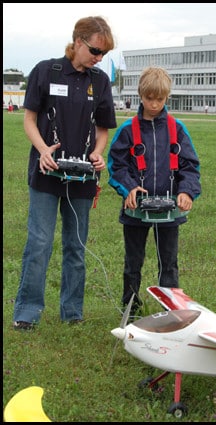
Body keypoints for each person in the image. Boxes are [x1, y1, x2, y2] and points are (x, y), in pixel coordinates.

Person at [13, 16, 117, 330]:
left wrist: (98, 153)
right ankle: (27, 314)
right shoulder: (45, 71)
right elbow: (29, 120)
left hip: (82, 179)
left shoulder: (99, 81)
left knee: (76, 246)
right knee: (40, 243)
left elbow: (103, 129)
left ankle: (72, 313)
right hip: (46, 174)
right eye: (96, 51)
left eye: (103, 54)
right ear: (78, 42)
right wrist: (43, 150)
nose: (99, 59)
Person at [107, 66, 201, 315]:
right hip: (136, 210)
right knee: (133, 263)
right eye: (149, 98)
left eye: (160, 99)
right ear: (140, 94)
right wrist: (128, 188)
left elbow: (190, 165)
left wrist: (187, 192)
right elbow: (116, 165)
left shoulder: (177, 129)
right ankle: (130, 308)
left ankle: (171, 312)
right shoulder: (127, 130)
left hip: (170, 211)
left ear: (167, 97)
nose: (154, 104)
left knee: (169, 264)